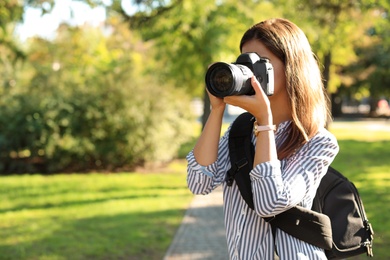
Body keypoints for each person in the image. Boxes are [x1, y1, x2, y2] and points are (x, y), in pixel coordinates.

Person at [186, 18, 339, 260]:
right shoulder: (239, 133)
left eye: (260, 62)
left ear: (292, 67)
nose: (248, 71)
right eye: (243, 62)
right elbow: (199, 182)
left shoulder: (318, 142)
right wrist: (217, 110)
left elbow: (270, 202)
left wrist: (265, 123)